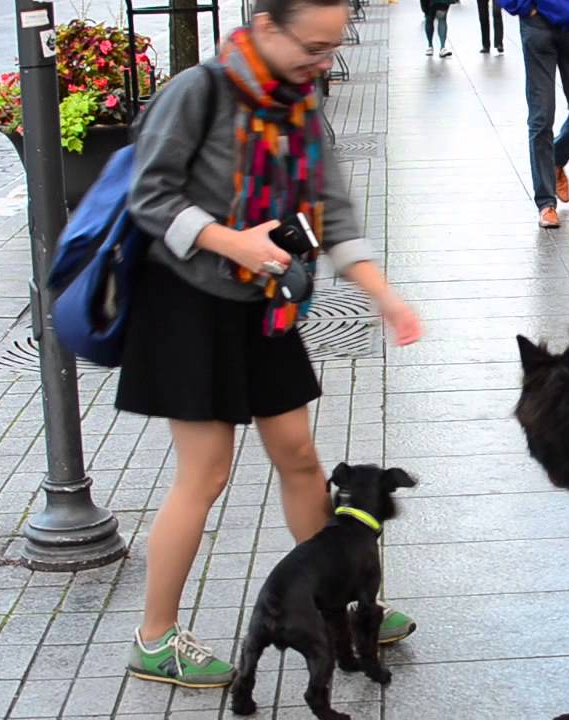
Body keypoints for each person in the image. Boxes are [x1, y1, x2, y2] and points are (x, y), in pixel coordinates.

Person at [119, 0, 423, 688]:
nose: (322, 62)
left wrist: (385, 295)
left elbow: (333, 211)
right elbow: (150, 193)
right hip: (186, 304)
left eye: (330, 49)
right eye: (312, 47)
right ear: (264, 28)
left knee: (298, 456)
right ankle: (154, 637)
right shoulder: (199, 91)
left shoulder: (298, 105)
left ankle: (341, 604)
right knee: (206, 474)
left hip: (264, 305)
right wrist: (233, 240)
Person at [498, 0, 569, 228]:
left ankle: (556, 160)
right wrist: (522, 7)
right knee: (541, 117)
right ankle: (546, 204)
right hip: (537, 25)